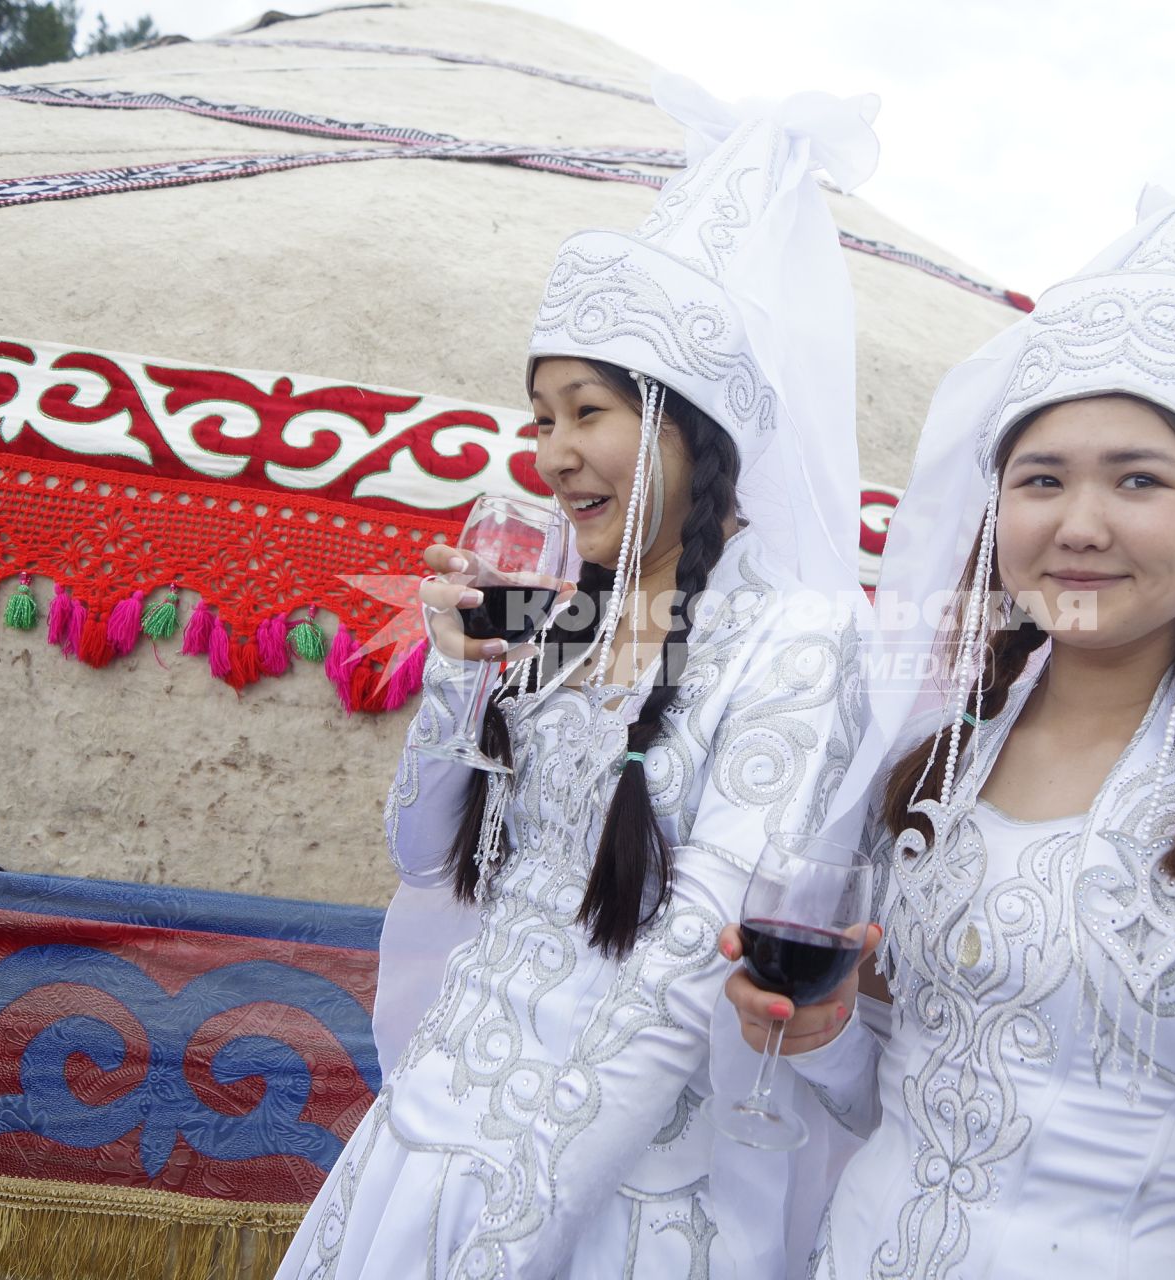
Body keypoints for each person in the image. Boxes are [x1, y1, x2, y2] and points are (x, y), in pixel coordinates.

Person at [724, 189, 1175, 1277]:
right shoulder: (930, 764)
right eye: (1040, 479)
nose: (1078, 524)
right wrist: (818, 1039)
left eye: (1137, 480)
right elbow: (893, 1083)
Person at [274, 76, 879, 1280]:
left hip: (611, 1186)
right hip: (430, 1129)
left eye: (585, 411)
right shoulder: (561, 621)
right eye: (539, 416)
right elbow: (421, 856)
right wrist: (455, 681)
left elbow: (688, 966)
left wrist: (519, 1224)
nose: (550, 455)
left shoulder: (797, 637)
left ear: (687, 427)